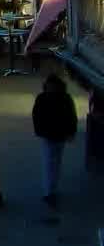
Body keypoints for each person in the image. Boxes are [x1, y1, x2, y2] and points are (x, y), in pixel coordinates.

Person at [32, 73, 79, 206]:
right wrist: (71, 132)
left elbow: (36, 116)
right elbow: (72, 116)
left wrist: (39, 131)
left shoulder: (43, 98)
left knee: (51, 162)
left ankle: (50, 191)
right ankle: (50, 191)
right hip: (56, 134)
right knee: (54, 162)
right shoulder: (65, 98)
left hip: (51, 134)